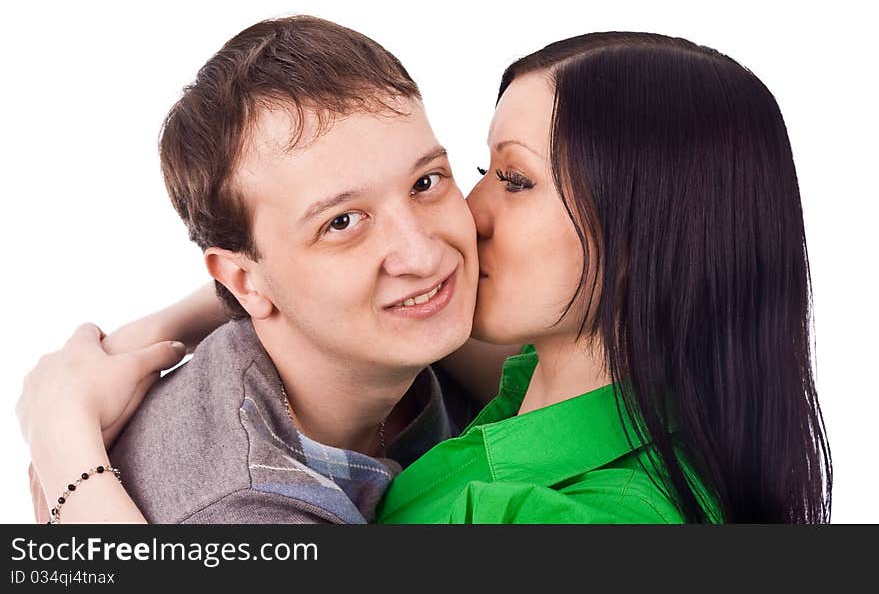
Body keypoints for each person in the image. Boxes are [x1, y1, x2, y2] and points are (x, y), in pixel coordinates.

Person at [18, 31, 832, 523]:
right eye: (480, 169)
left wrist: (69, 460)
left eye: (509, 180)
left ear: (643, 243)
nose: (455, 225)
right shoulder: (577, 384)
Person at [16, 15, 491, 524]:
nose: (423, 256)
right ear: (243, 280)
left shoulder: (400, 326)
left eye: (425, 182)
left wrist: (166, 327)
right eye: (343, 222)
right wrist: (69, 463)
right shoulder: (242, 510)